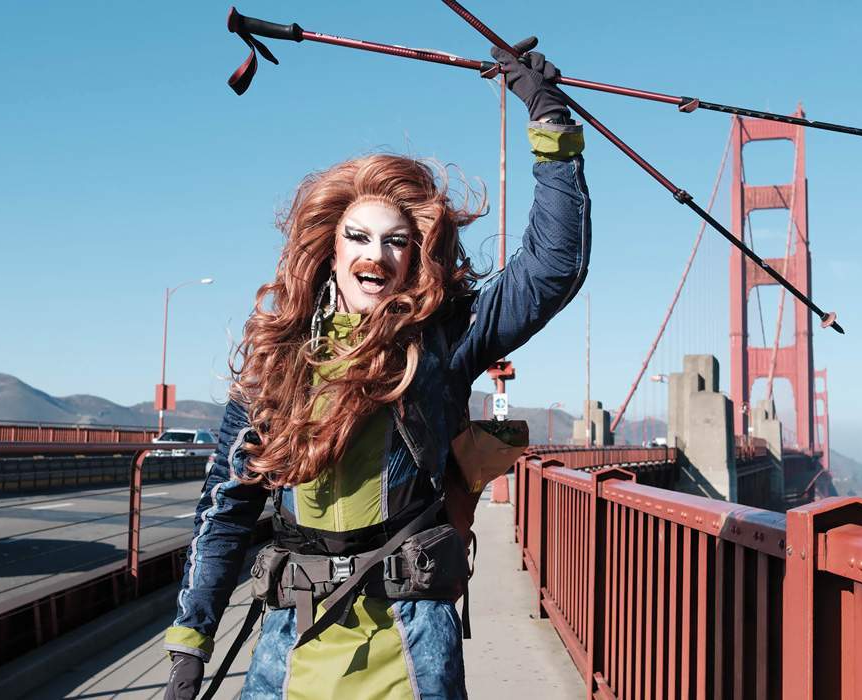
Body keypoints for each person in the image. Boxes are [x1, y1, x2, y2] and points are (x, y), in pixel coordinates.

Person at [163, 40, 591, 700]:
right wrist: (190, 643)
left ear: (414, 255)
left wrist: (550, 126)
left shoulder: (443, 339)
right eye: (358, 238)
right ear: (328, 252)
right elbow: (225, 506)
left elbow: (551, 270)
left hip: (409, 642)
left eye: (396, 240)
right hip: (290, 647)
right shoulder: (277, 361)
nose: (377, 254)